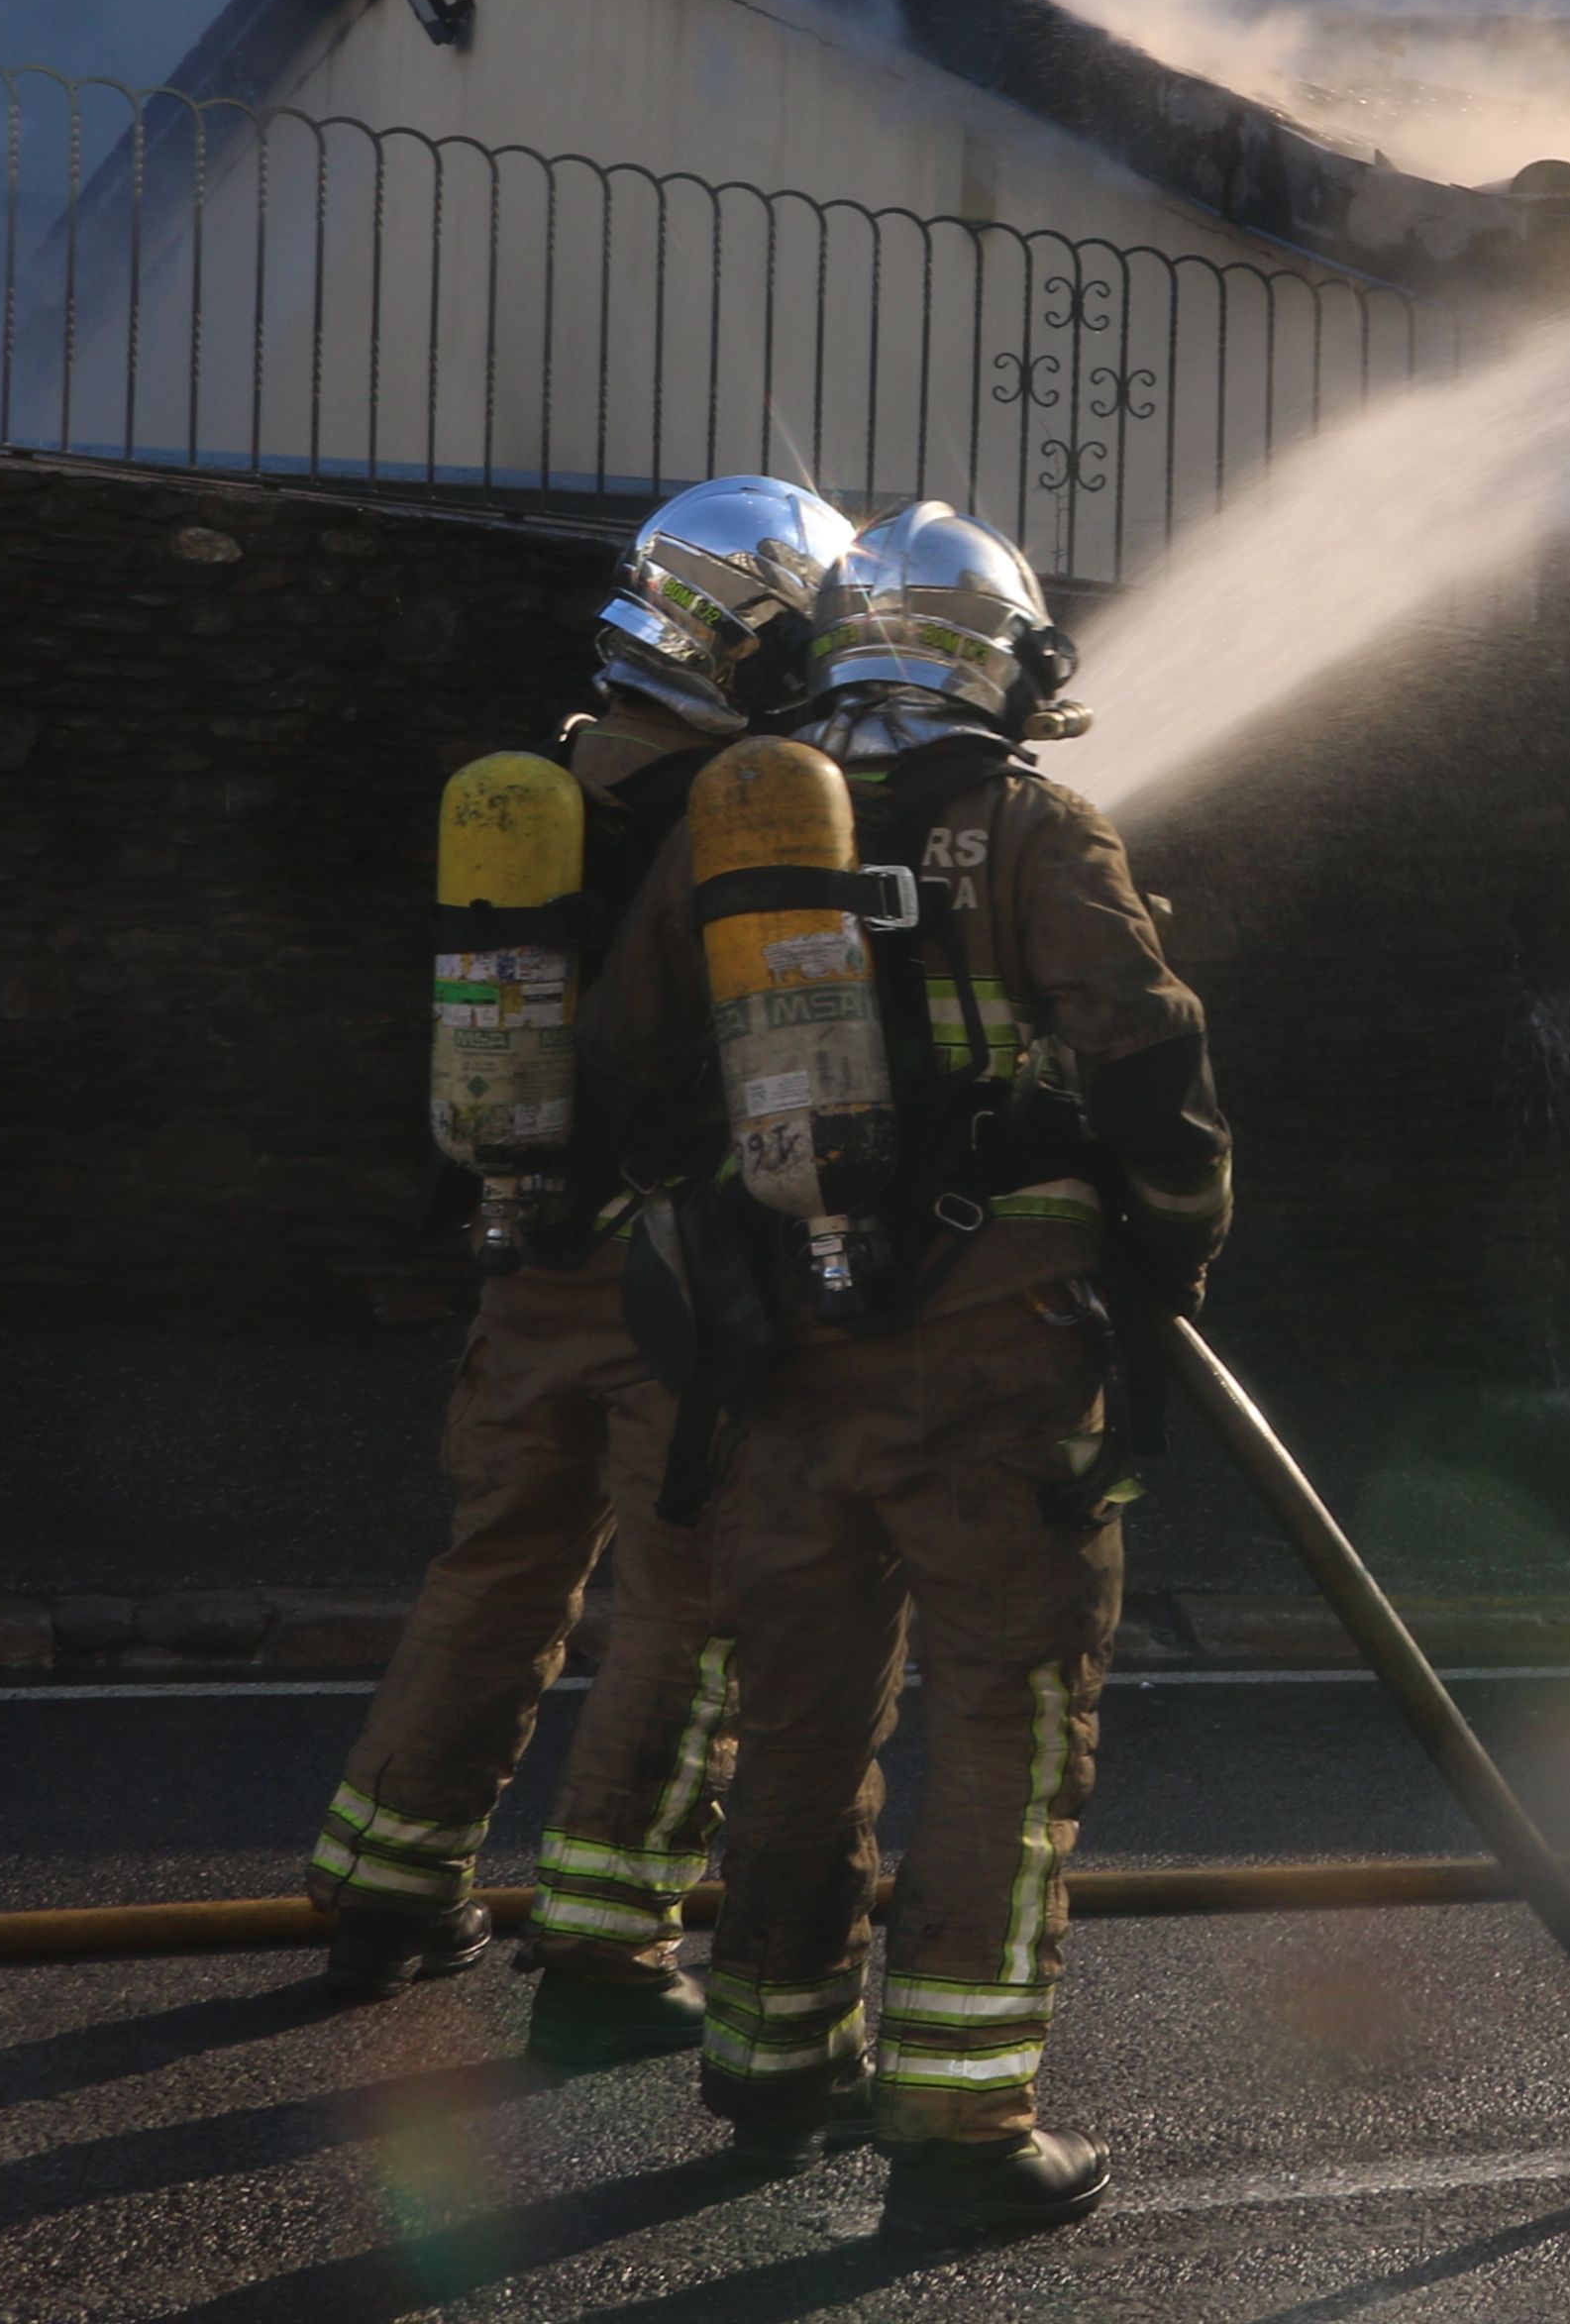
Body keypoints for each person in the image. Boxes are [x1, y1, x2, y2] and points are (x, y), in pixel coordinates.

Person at [590, 499, 1230, 2245]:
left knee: (799, 1708)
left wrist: (760, 1222)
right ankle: (956, 2126)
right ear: (1005, 661)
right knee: (1005, 1723)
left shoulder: (740, 826)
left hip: (783, 1361)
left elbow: (632, 1077)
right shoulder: (1031, 826)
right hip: (997, 1361)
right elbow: (1148, 1063)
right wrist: (1167, 1259)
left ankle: (769, 2057)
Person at [308, 475, 854, 2066]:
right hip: (675, 1269)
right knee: (684, 1601)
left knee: (497, 1567)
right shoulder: (754, 811)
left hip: (523, 1249)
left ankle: (383, 1890)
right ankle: (613, 1942)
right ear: (758, 648)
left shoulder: (539, 783)